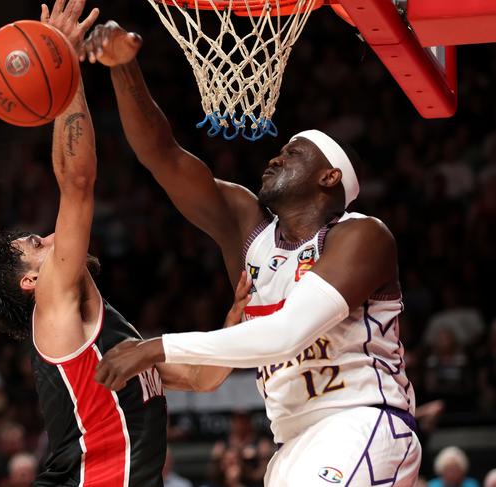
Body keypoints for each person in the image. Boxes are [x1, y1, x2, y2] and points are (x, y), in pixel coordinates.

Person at [84, 21, 422, 485]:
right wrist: (124, 69)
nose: (274, 158)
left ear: (329, 178)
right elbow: (164, 156)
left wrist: (155, 348)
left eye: (293, 153)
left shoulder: (362, 236)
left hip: (360, 421)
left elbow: (286, 333)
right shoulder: (248, 231)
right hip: (289, 443)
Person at [0, 2, 250, 485]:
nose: (54, 235)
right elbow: (76, 181)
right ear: (34, 281)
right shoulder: (54, 311)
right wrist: (64, 68)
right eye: (38, 243)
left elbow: (203, 378)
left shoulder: (115, 341)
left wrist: (237, 312)